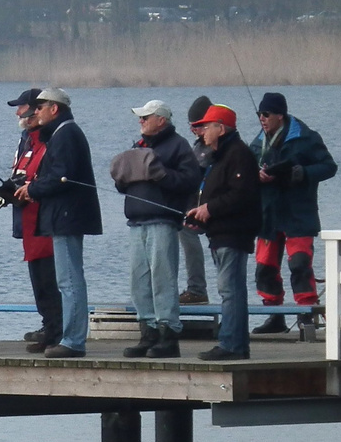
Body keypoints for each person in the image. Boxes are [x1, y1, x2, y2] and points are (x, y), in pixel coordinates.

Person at [110, 100, 202, 358]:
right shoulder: (138, 146)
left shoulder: (179, 145)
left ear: (161, 119)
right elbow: (125, 185)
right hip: (136, 222)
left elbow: (191, 180)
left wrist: (162, 175)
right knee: (138, 280)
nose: (141, 121)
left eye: (145, 117)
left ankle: (168, 334)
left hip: (162, 220)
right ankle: (148, 332)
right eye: (140, 118)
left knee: (163, 278)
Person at [19, 87, 102, 358]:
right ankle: (69, 336)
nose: (36, 112)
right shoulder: (60, 133)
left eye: (41, 107)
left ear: (54, 108)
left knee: (69, 280)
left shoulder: (66, 133)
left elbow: (60, 176)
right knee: (67, 279)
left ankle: (73, 339)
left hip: (67, 216)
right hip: (63, 215)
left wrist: (32, 189)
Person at [249, 91, 337, 334]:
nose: (262, 119)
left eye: (266, 114)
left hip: (298, 213)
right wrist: (256, 176)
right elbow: (244, 172)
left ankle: (306, 314)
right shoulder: (257, 142)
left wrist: (302, 173)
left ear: (280, 115)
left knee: (299, 263)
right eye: (259, 114)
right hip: (268, 216)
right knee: (264, 267)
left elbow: (329, 167)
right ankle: (274, 315)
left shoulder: (306, 137)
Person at [185, 104, 262, 360]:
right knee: (230, 290)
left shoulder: (238, 154)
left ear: (221, 128)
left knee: (230, 291)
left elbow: (241, 195)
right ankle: (235, 344)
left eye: (207, 126)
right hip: (219, 232)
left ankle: (231, 344)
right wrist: (200, 217)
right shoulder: (220, 156)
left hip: (234, 233)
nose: (203, 131)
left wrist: (210, 208)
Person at [2, 88, 61, 353]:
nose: (18, 113)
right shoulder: (26, 139)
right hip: (27, 219)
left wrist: (29, 188)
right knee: (38, 277)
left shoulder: (48, 139)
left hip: (45, 220)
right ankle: (49, 325)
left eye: (22, 107)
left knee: (50, 277)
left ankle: (56, 328)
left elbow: (46, 177)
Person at [179, 95, 213, 304]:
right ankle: (196, 289)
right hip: (196, 207)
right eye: (192, 127)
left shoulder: (219, 147)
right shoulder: (198, 146)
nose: (194, 130)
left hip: (216, 209)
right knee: (183, 229)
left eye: (198, 126)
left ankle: (198, 289)